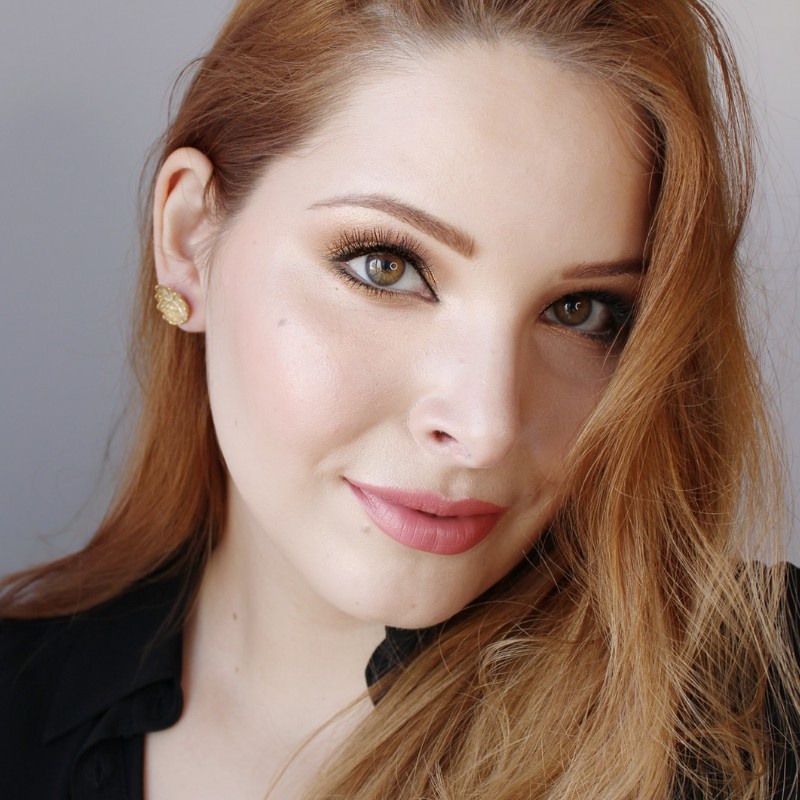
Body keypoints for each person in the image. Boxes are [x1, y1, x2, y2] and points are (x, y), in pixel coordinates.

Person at [1, 0, 798, 797]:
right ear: (188, 238)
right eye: (386, 266)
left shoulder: (763, 710)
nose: (486, 426)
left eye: (582, 311)